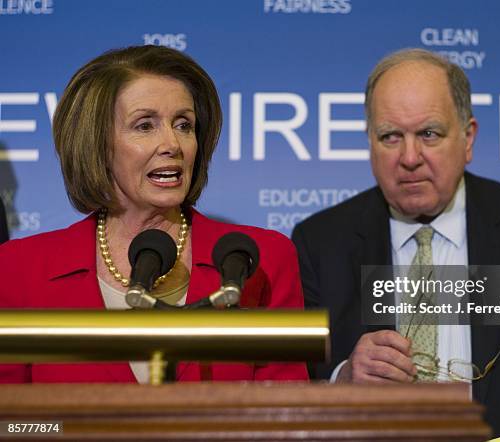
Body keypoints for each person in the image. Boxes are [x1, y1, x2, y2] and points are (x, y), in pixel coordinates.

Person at [292, 48, 500, 440]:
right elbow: (288, 393)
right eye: (390, 136)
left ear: (468, 137)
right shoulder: (320, 242)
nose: (410, 158)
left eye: (429, 133)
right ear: (370, 141)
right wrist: (343, 382)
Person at [0, 45, 308, 383]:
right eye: (145, 126)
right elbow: (11, 423)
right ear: (96, 144)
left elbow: (285, 415)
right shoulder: (18, 270)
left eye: (184, 125)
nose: (172, 144)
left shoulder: (260, 259)